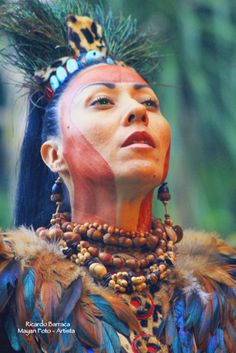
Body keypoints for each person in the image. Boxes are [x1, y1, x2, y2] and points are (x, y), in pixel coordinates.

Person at [0, 1, 235, 353]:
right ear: (54, 155)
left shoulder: (222, 286)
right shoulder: (14, 286)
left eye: (150, 103)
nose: (138, 110)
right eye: (102, 101)